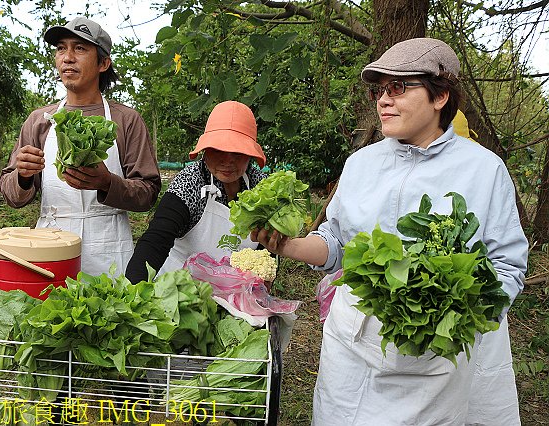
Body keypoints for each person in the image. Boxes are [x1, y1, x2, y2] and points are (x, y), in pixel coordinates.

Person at [252, 38, 528, 425]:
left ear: (440, 96)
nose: (383, 99)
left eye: (398, 87)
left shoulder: (483, 170)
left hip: (438, 361)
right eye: (378, 90)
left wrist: (452, 317)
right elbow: (337, 244)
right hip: (355, 346)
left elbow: (507, 267)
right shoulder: (361, 164)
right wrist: (291, 245)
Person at [0, 17, 161, 276]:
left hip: (109, 248)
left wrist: (107, 182)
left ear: (103, 63)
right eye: (61, 48)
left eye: (80, 48)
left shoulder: (126, 120)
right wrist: (23, 176)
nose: (67, 57)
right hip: (51, 247)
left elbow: (148, 194)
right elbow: (11, 196)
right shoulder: (39, 121)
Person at [125, 100, 267, 284]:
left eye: (238, 152)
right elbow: (155, 241)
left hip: (238, 294)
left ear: (250, 155)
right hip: (182, 291)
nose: (228, 160)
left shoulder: (261, 187)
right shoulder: (189, 182)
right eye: (219, 149)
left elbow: (268, 248)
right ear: (206, 150)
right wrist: (132, 292)